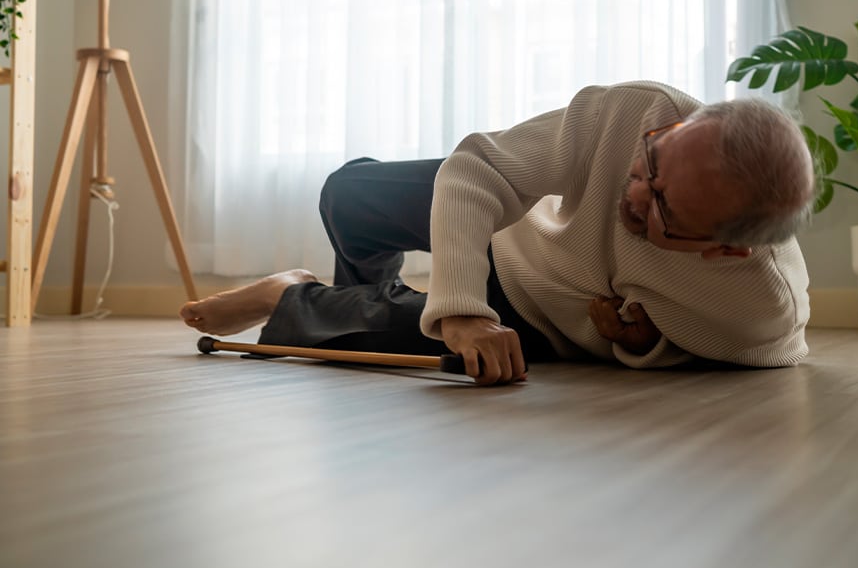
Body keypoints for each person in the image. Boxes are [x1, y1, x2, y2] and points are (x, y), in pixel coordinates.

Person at [180, 80, 815, 385]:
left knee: (433, 351)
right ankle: (360, 306)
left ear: (727, 248)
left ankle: (292, 295)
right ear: (684, 125)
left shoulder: (759, 311)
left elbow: (721, 350)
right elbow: (477, 169)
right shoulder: (639, 111)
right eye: (650, 162)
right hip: (515, 236)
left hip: (536, 323)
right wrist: (458, 308)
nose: (636, 193)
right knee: (348, 194)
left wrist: (647, 340)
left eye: (664, 210)